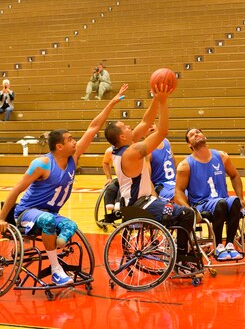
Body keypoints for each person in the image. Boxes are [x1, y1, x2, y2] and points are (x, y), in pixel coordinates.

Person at [0, 84, 128, 285]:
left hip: (50, 214)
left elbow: (93, 128)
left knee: (70, 225)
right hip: (27, 212)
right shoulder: (42, 164)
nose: (75, 141)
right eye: (70, 139)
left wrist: (111, 103)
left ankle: (54, 248)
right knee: (50, 222)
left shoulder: (73, 158)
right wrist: (1, 219)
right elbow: (16, 189)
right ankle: (56, 269)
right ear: (59, 146)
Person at [104, 85, 195, 268]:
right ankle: (181, 256)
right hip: (140, 205)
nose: (131, 127)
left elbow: (146, 121)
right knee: (186, 213)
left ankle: (176, 247)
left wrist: (156, 97)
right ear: (122, 137)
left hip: (138, 201)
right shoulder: (131, 152)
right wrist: (163, 102)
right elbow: (161, 132)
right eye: (126, 127)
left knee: (178, 210)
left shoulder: (121, 148)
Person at [175, 128, 245, 261]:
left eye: (198, 132)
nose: (196, 134)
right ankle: (219, 246)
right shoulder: (185, 165)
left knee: (235, 201)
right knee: (220, 204)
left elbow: (235, 175)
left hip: (222, 199)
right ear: (189, 144)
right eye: (192, 135)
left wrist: (241, 197)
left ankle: (230, 245)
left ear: (205, 137)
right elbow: (178, 191)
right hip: (201, 204)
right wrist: (188, 209)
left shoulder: (221, 156)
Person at [145, 123, 176, 201]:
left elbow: (174, 163)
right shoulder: (146, 150)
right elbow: (146, 178)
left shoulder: (166, 141)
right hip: (161, 186)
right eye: (147, 126)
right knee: (179, 196)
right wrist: (153, 196)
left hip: (174, 182)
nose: (151, 126)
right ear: (142, 133)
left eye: (153, 124)